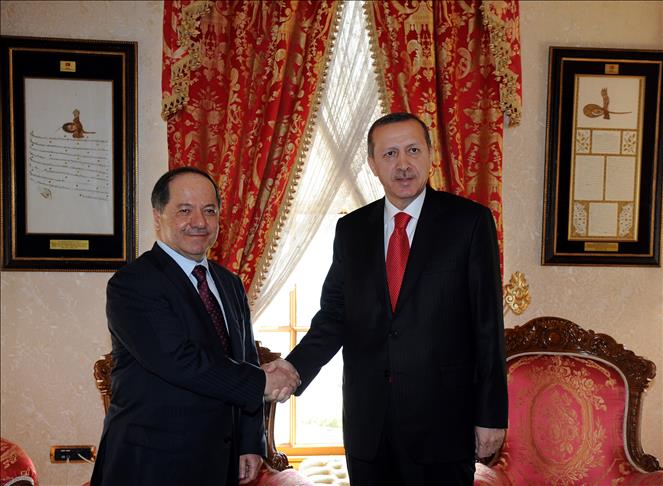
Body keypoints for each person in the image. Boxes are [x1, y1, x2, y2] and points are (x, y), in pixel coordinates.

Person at [269, 112, 508, 485]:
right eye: (390, 154)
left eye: (413, 150)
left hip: (443, 423)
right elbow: (335, 316)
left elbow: (488, 325)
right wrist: (293, 367)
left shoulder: (470, 222)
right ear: (372, 164)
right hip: (369, 424)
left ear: (430, 155)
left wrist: (491, 414)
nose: (403, 164)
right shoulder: (351, 230)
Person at [90, 167, 299, 486]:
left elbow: (245, 359)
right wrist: (262, 382)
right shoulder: (133, 284)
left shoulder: (229, 283)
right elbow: (179, 360)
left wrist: (249, 441)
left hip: (219, 462)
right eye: (184, 210)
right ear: (158, 216)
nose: (199, 222)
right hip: (151, 465)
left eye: (209, 210)